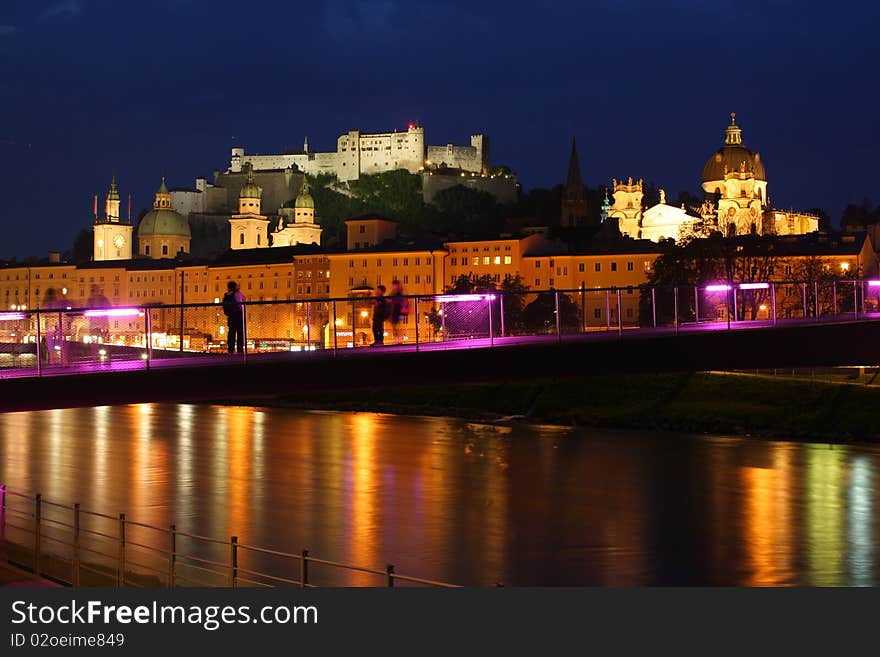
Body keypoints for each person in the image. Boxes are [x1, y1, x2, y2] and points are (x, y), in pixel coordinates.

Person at [222, 281, 246, 354]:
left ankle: (230, 349)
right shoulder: (237, 293)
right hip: (238, 315)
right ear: (235, 286)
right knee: (240, 333)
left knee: (231, 332)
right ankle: (240, 349)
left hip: (230, 316)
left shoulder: (226, 295)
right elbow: (243, 301)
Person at [388, 280, 410, 345]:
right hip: (395, 311)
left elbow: (399, 301)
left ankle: (398, 340)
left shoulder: (398, 293)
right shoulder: (395, 292)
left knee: (397, 326)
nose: (393, 286)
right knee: (395, 326)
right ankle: (397, 340)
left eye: (394, 285)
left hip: (398, 311)